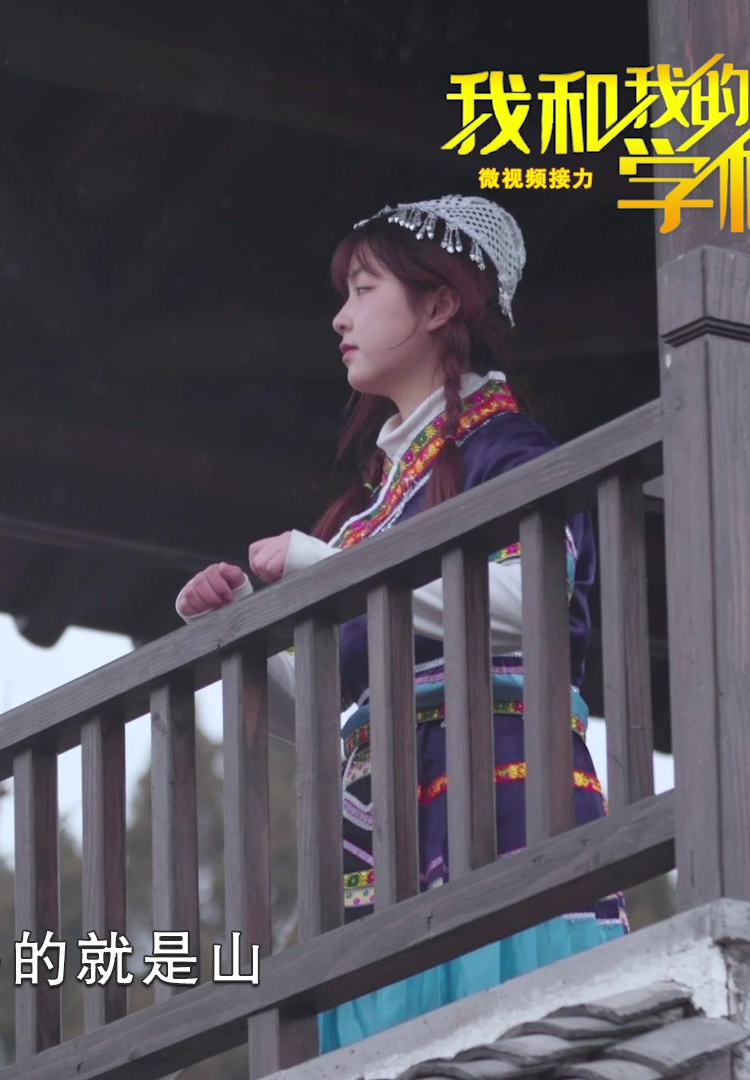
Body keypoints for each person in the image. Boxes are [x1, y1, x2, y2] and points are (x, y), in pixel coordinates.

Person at [173, 195, 626, 1053]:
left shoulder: (506, 447)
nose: (340, 318)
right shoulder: (372, 507)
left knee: (516, 1034)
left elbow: (533, 602)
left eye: (363, 289)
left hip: (495, 776)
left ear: (441, 304)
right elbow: (321, 704)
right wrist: (237, 628)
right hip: (386, 816)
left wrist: (325, 567)